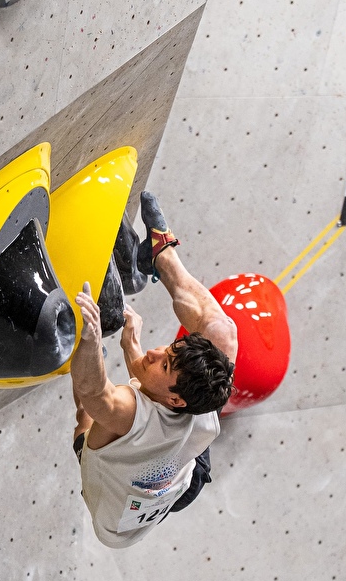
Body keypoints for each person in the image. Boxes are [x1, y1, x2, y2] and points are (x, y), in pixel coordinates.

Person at [71, 192, 237, 548]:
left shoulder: (132, 417)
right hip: (180, 470)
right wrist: (132, 346)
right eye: (169, 349)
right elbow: (153, 382)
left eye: (165, 362)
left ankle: (73, 337)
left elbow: (93, 391)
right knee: (223, 337)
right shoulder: (197, 404)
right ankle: (161, 255)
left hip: (129, 512)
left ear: (176, 401)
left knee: (86, 416)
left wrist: (90, 336)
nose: (157, 351)